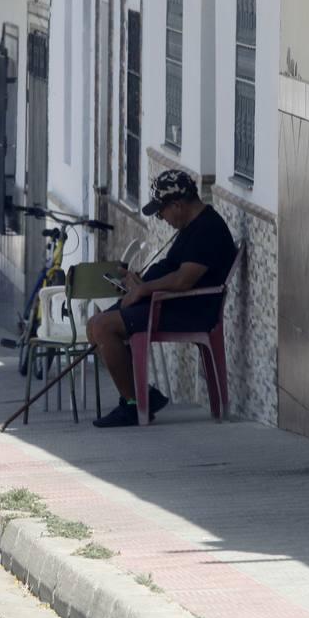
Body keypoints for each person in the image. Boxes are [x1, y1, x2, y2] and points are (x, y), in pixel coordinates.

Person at [86, 170, 237, 428]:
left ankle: (134, 405)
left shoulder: (207, 230)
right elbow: (174, 271)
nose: (161, 218)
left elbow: (183, 281)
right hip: (168, 303)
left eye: (161, 212)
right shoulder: (191, 226)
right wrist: (139, 282)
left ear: (177, 205)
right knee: (94, 325)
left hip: (187, 311)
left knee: (103, 327)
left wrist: (144, 290)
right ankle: (142, 396)